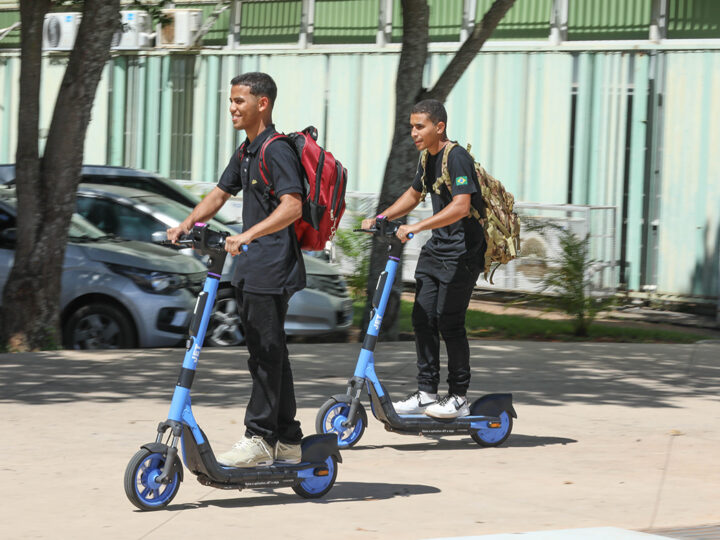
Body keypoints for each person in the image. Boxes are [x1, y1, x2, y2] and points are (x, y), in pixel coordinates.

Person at [167, 72, 306, 467]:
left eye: (239, 101)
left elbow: (292, 205)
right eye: (231, 100)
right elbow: (219, 192)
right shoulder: (247, 151)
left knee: (265, 353)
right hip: (252, 266)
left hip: (272, 265)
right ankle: (289, 439)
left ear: (262, 103)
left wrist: (248, 235)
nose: (232, 107)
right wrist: (185, 225)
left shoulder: (275, 151)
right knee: (269, 352)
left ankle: (261, 437)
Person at [362, 99, 486, 419]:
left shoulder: (456, 157)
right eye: (412, 126)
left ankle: (458, 397)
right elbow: (415, 194)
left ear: (439, 127)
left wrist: (416, 226)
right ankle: (426, 392)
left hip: (464, 252)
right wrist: (381, 218)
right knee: (422, 317)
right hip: (438, 249)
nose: (414, 132)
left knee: (449, 321)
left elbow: (461, 205)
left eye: (420, 126)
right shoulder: (427, 158)